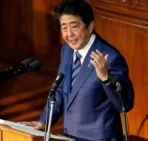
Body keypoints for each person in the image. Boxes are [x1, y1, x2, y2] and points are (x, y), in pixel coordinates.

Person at [20, 0, 134, 140]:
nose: (69, 34)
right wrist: (44, 121)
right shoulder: (68, 49)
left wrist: (106, 78)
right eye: (64, 28)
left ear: (90, 26)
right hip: (70, 136)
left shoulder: (109, 57)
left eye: (74, 27)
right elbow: (60, 91)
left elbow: (125, 104)